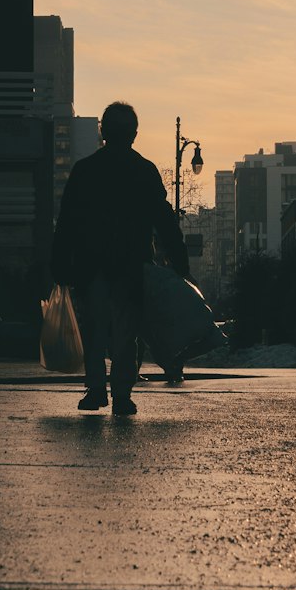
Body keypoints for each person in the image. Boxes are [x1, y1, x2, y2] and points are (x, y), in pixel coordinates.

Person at [50, 101, 189, 415]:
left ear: (103, 131)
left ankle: (96, 388)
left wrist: (60, 262)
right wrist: (179, 261)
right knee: (127, 333)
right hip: (131, 265)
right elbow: (164, 219)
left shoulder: (85, 170)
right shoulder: (144, 171)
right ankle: (122, 394)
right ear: (134, 135)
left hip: (92, 263)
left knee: (95, 329)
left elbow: (67, 221)